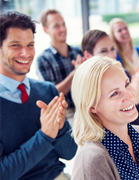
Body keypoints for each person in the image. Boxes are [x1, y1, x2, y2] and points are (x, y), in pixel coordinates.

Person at [0, 12, 77, 180]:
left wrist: (60, 127)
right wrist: (45, 136)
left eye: (30, 45)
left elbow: (70, 153)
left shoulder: (48, 91)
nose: (26, 53)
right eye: (15, 45)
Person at [81, 29, 139, 127]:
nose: (111, 55)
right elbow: (114, 129)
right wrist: (133, 100)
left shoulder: (123, 73)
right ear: (88, 55)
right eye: (103, 51)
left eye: (112, 49)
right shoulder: (90, 87)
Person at [36, 9, 84, 126]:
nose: (63, 29)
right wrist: (75, 73)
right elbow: (51, 93)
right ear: (45, 30)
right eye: (56, 26)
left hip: (85, 107)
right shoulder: (43, 60)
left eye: (63, 24)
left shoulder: (78, 52)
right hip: (64, 114)